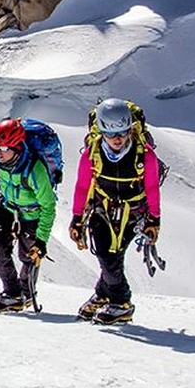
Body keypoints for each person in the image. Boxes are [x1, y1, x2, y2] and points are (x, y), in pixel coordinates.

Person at [69, 97, 162, 324]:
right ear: (101, 131)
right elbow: (82, 186)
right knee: (106, 253)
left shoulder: (144, 155)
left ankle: (120, 302)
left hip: (134, 211)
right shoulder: (92, 154)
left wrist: (154, 219)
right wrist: (77, 218)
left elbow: (151, 187)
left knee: (110, 256)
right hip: (103, 207)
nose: (117, 139)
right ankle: (106, 296)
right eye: (110, 134)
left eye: (122, 132)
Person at [0, 118, 57, 312]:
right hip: (7, 208)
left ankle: (26, 293)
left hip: (32, 214)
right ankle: (12, 292)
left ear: (16, 147)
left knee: (29, 256)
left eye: (3, 148)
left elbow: (48, 205)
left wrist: (42, 240)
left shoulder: (35, 169)